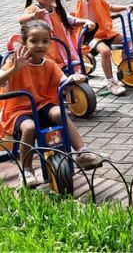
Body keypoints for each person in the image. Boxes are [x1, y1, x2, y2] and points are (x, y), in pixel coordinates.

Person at [0, 20, 107, 187]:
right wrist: (14, 69)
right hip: (18, 111)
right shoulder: (13, 62)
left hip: (43, 106)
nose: (40, 45)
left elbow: (64, 82)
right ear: (24, 42)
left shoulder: (50, 65)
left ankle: (81, 152)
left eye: (45, 41)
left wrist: (73, 80)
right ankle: (26, 170)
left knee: (59, 113)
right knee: (29, 128)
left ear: (50, 42)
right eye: (34, 41)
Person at [19, 0, 96, 72]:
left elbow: (71, 20)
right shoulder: (34, 9)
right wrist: (33, 16)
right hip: (45, 52)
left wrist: (86, 21)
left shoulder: (57, 10)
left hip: (62, 50)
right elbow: (22, 20)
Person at [74, 0, 129, 96]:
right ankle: (110, 81)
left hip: (104, 32)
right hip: (89, 35)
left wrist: (126, 7)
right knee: (105, 51)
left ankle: (124, 68)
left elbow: (110, 7)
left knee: (125, 40)